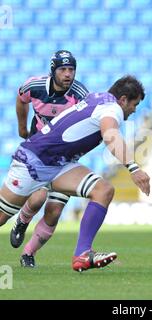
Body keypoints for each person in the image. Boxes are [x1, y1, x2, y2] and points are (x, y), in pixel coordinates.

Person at [0, 75, 150, 272]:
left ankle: (82, 254)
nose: (134, 109)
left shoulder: (97, 98)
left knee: (103, 190)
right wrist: (133, 167)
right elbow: (111, 135)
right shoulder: (112, 108)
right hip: (35, 160)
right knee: (2, 216)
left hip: (60, 163)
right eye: (134, 104)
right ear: (123, 99)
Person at [10, 50, 89, 268]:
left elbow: (90, 119)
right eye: (63, 69)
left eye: (71, 69)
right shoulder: (34, 86)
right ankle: (21, 221)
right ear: (53, 70)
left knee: (54, 212)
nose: (68, 74)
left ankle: (28, 253)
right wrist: (22, 127)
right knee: (36, 200)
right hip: (40, 155)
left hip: (65, 158)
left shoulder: (80, 94)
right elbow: (21, 98)